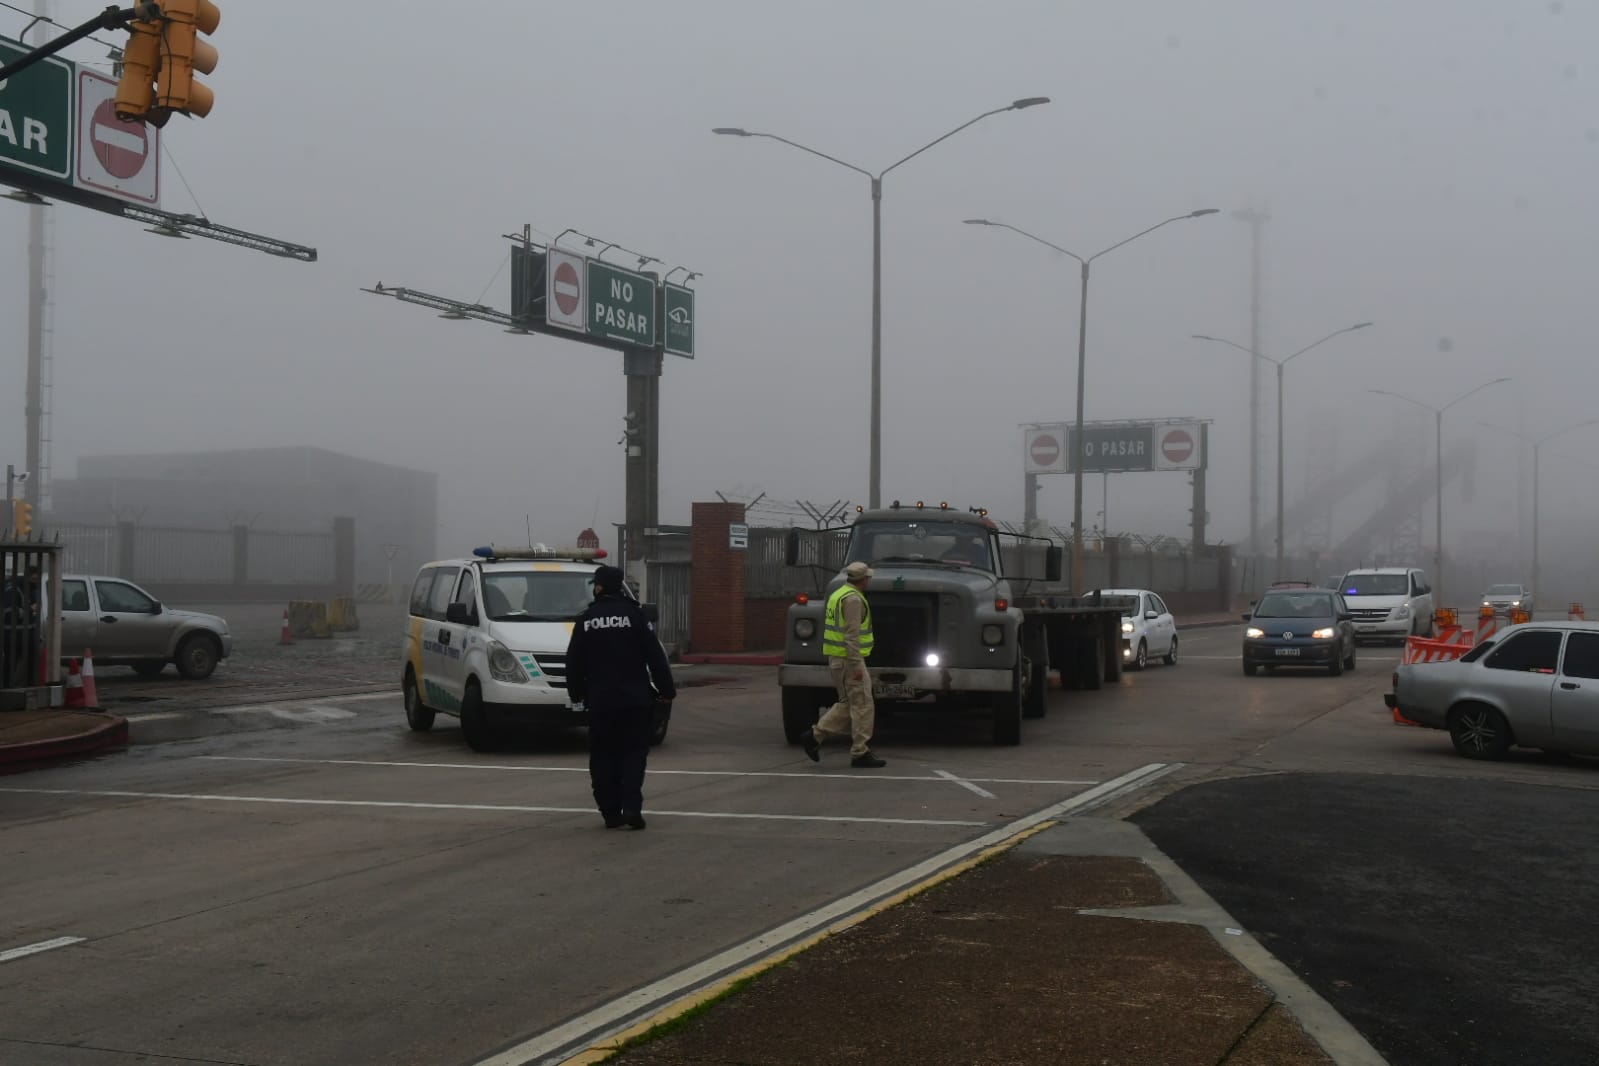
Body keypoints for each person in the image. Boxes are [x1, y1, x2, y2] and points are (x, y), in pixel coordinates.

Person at [564, 565, 676, 830]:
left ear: (600, 587)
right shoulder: (636, 617)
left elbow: (573, 662)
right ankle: (632, 807)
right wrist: (667, 691)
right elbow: (656, 657)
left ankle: (610, 812)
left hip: (601, 702)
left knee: (603, 755)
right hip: (635, 701)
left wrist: (576, 692)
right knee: (634, 754)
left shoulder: (586, 620)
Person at [800, 561, 886, 768]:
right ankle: (860, 752)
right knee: (864, 705)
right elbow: (851, 636)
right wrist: (857, 666)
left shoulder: (838, 594)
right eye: (868, 577)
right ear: (862, 579)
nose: (869, 580)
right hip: (850, 660)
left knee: (848, 703)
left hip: (837, 659)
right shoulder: (854, 599)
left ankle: (814, 736)